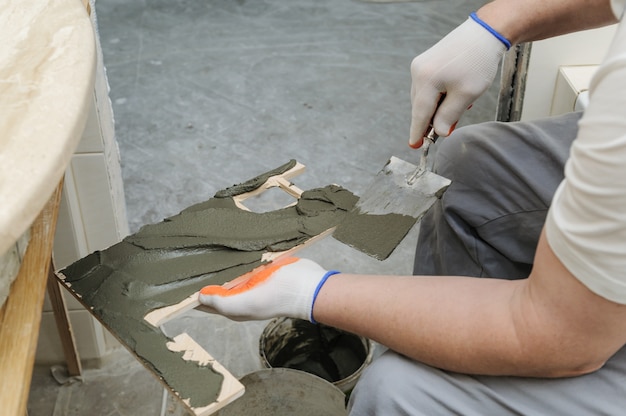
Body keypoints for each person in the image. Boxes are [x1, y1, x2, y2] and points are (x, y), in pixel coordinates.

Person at [199, 0, 626, 413]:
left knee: (396, 391)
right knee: (469, 161)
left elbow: (560, 335)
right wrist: (497, 25)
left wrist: (309, 292)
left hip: (575, 327)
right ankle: (451, 344)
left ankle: (452, 367)